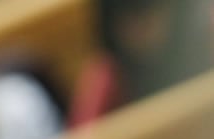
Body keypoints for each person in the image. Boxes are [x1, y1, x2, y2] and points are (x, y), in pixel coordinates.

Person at [67, 0, 214, 127]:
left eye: (149, 11)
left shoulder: (206, 38)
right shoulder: (107, 78)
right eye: (128, 18)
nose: (142, 28)